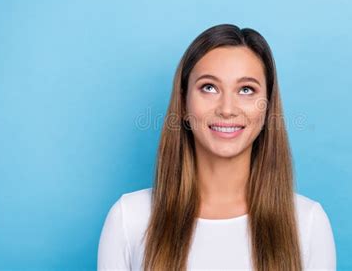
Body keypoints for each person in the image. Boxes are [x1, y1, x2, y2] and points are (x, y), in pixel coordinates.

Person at [97, 24, 336, 271]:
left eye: (246, 90)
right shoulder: (129, 219)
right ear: (183, 102)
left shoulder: (308, 223)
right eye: (209, 87)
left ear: (267, 108)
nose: (227, 109)